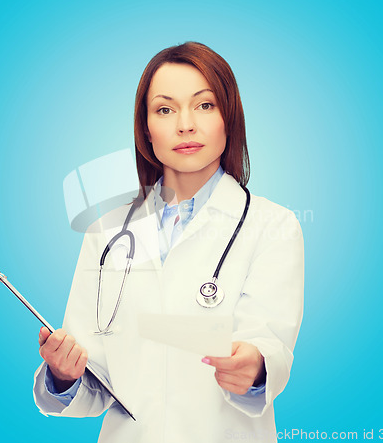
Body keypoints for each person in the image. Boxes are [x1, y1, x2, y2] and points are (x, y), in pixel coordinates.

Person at [33, 41, 304, 442]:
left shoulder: (273, 225)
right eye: (165, 109)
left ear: (229, 117)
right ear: (146, 127)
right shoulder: (106, 231)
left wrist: (256, 367)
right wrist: (63, 373)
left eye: (204, 105)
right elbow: (95, 381)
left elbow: (271, 346)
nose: (185, 124)